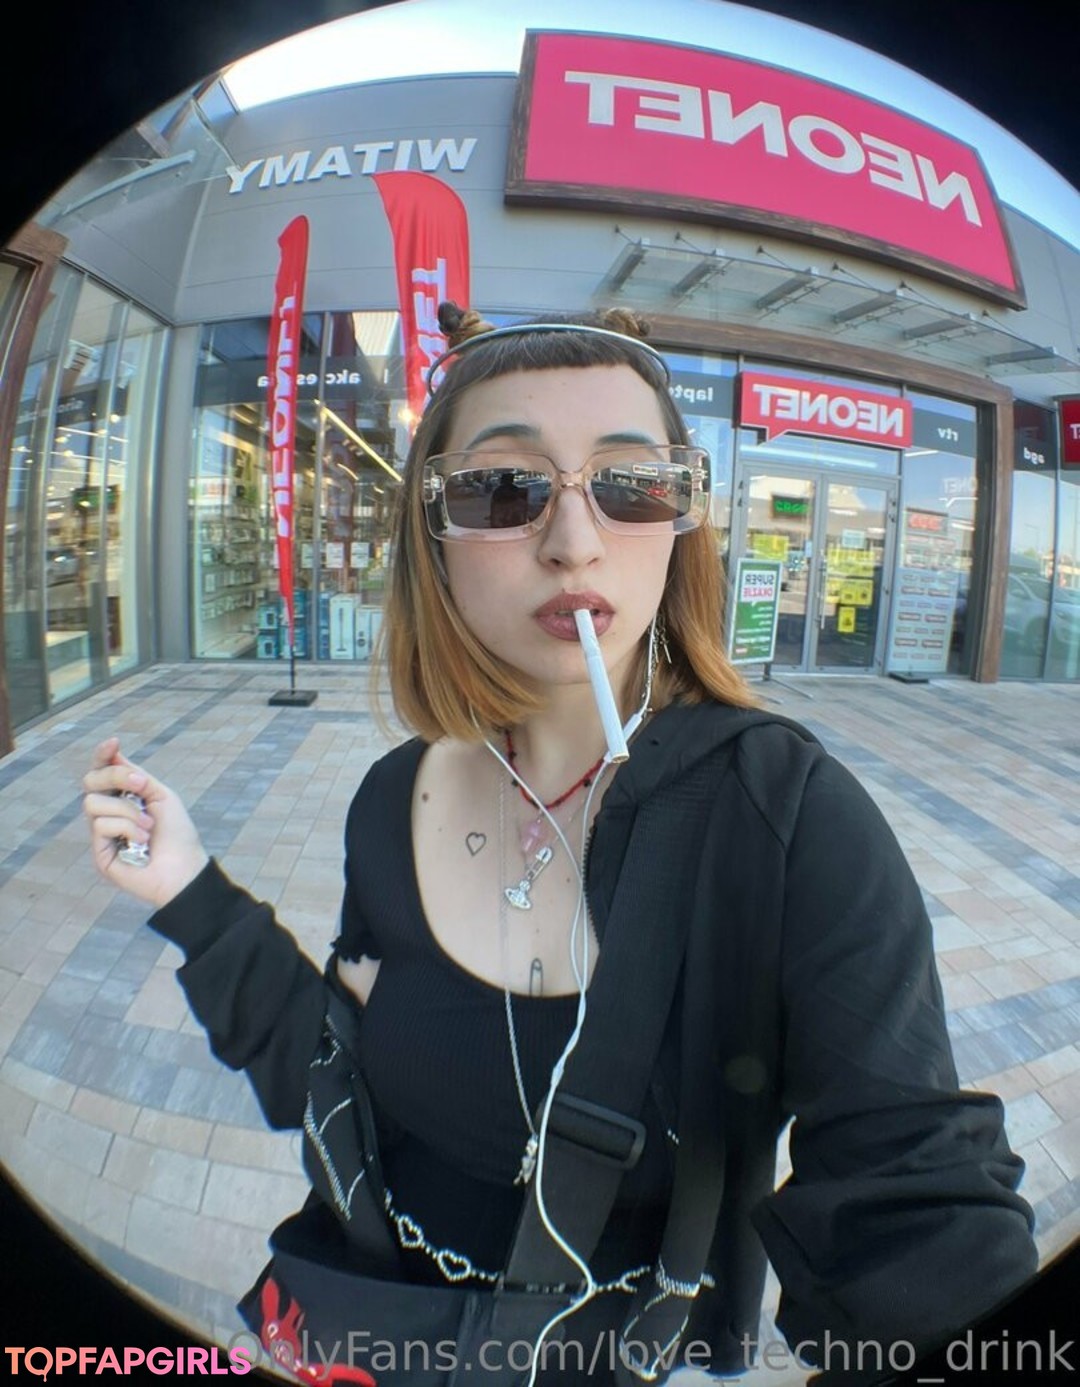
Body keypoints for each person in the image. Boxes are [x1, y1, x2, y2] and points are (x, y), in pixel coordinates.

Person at [82, 303, 1038, 1387]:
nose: (574, 542)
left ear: (682, 520)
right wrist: (191, 891)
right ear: (432, 536)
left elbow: (919, 1208)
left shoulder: (786, 818)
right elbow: (338, 1083)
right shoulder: (391, 798)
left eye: (631, 486)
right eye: (504, 488)